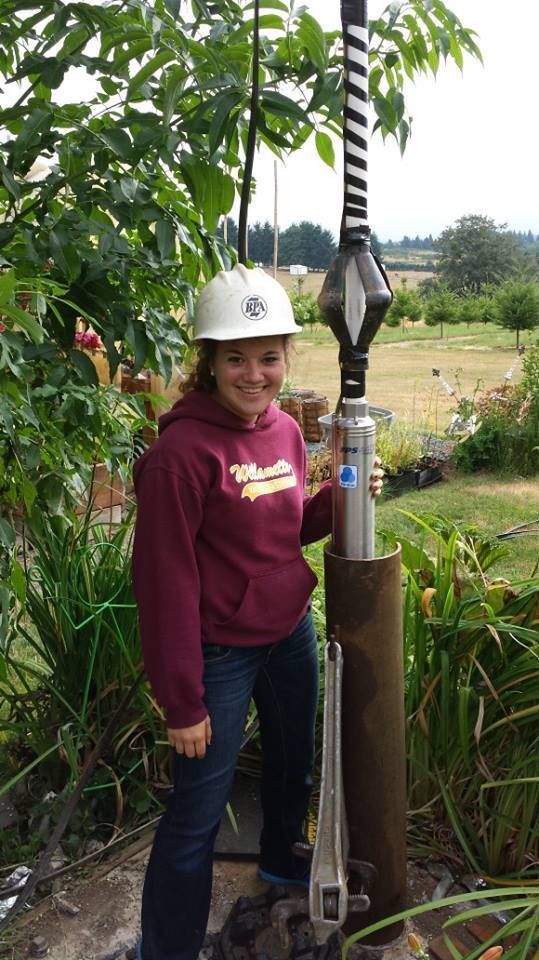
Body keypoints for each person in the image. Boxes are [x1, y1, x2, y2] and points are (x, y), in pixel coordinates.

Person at [132, 264, 382, 960]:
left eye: (267, 357)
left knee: (292, 762)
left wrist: (336, 501)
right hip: (217, 651)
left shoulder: (280, 432)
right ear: (207, 363)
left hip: (286, 633)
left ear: (284, 359)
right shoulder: (178, 457)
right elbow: (164, 584)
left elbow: (279, 528)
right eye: (235, 358)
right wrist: (181, 701)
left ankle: (278, 858)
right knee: (196, 812)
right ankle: (169, 947)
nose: (254, 374)